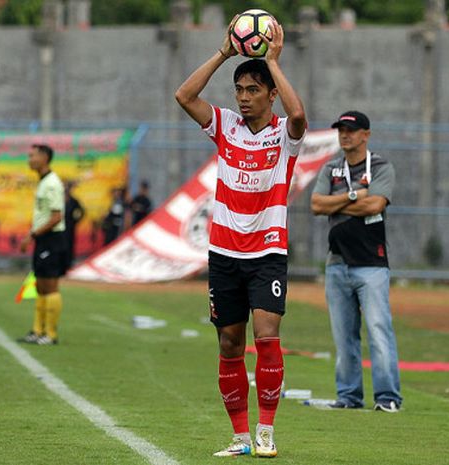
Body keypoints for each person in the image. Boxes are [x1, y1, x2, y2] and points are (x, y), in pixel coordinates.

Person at [175, 17, 307, 458]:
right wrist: (224, 53)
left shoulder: (284, 137)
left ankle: (267, 429)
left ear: (271, 95)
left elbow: (301, 116)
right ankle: (240, 436)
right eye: (241, 91)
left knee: (267, 337)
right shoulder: (225, 126)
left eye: (254, 91)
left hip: (267, 250)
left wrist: (272, 62)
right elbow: (184, 96)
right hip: (224, 252)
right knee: (230, 343)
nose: (245, 99)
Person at [310, 110, 402, 412]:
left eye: (350, 130)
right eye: (341, 130)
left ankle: (387, 397)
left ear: (366, 134)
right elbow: (316, 204)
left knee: (378, 330)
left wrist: (337, 203)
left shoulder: (380, 166)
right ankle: (349, 396)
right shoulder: (331, 168)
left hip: (371, 263)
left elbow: (376, 203)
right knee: (343, 335)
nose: (344, 135)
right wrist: (353, 197)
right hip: (336, 262)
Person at [17, 144, 67, 346]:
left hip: (52, 239)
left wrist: (33, 235)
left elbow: (56, 217)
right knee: (39, 286)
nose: (29, 160)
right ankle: (38, 331)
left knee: (50, 285)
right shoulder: (43, 181)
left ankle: (51, 334)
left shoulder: (52, 183)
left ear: (45, 157)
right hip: (43, 239)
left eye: (32, 156)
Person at [64, 182, 85, 271]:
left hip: (69, 227)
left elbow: (82, 211)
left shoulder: (73, 201)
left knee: (69, 245)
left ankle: (69, 264)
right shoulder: (57, 200)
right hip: (58, 228)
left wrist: (75, 221)